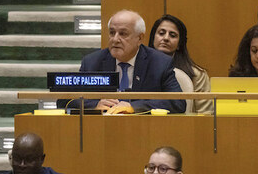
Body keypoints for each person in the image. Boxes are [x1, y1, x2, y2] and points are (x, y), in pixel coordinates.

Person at [57, 10, 186, 114]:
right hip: (102, 130)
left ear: (140, 38)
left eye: (123, 34)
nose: (115, 39)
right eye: (112, 33)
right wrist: (95, 105)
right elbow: (64, 101)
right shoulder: (92, 62)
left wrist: (134, 107)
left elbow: (178, 102)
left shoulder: (160, 63)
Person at [148, 15, 213, 113]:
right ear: (153, 38)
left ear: (179, 44)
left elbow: (205, 115)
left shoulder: (197, 75)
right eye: (161, 33)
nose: (166, 38)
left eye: (172, 35)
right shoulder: (140, 68)